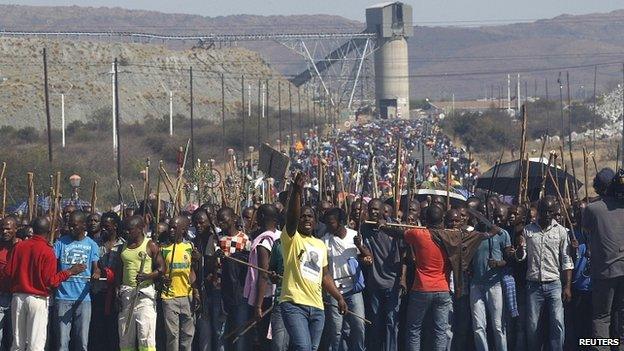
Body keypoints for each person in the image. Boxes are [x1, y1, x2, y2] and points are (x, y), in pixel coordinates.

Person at [280, 173, 347, 351]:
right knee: (304, 347)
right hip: (294, 305)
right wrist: (297, 192)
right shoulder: (291, 238)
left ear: (316, 221)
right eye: (303, 216)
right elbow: (292, 218)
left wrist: (339, 297)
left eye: (310, 216)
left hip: (317, 307)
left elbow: (325, 276)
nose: (307, 219)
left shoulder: (320, 245)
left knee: (311, 348)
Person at [3, 216, 85, 351]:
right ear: (49, 231)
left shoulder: (19, 247)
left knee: (17, 343)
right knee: (35, 344)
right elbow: (51, 281)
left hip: (18, 297)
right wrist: (70, 271)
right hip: (38, 299)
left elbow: (8, 272)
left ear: (33, 229)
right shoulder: (47, 251)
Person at [516, 195, 574, 351]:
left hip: (554, 284)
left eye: (550, 212)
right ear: (539, 211)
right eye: (544, 212)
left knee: (557, 323)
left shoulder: (561, 232)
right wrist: (520, 248)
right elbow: (522, 257)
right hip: (533, 285)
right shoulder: (528, 230)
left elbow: (567, 260)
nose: (547, 215)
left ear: (554, 212)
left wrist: (567, 286)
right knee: (533, 325)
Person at [583, 169, 624, 349]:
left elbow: (586, 233)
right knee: (620, 314)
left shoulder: (592, 209)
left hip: (604, 272)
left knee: (601, 317)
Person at [321, 207, 372, 351]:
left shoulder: (355, 236)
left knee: (359, 325)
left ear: (341, 222)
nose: (328, 226)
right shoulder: (324, 241)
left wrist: (359, 246)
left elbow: (368, 257)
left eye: (331, 223)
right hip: (335, 291)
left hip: (353, 289)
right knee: (336, 331)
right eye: (327, 223)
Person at [360, 198, 406, 351]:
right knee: (376, 323)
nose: (373, 211)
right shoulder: (364, 228)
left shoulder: (394, 225)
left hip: (392, 283)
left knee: (392, 323)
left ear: (382, 210)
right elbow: (365, 253)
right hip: (374, 283)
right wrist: (361, 250)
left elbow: (405, 252)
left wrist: (403, 278)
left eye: (376, 209)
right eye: (371, 208)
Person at [53, 210, 101, 351]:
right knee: (62, 341)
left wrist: (97, 272)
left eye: (74, 225)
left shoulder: (92, 244)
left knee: (82, 341)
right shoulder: (61, 243)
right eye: (69, 225)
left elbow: (96, 267)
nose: (71, 228)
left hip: (83, 297)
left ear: (83, 225)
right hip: (62, 296)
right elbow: (53, 265)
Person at [469, 204, 513, 351]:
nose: (480, 216)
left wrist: (498, 263)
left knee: (498, 326)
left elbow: (509, 259)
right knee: (478, 326)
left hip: (494, 284)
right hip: (476, 284)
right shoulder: (473, 234)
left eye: (483, 213)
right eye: (478, 214)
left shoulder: (502, 234)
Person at [118, 215, 165, 351]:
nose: (127, 232)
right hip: (126, 294)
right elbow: (119, 269)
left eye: (130, 230)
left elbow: (162, 268)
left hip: (144, 296)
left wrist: (148, 276)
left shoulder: (150, 245)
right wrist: (117, 290)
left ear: (140, 229)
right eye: (125, 230)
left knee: (146, 335)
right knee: (125, 335)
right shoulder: (123, 247)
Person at [243, 204, 281, 350]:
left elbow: (263, 274)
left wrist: (258, 306)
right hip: (280, 294)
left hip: (266, 296)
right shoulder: (281, 236)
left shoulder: (265, 242)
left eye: (258, 215)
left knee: (265, 339)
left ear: (263, 217)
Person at [216, 207, 252, 351]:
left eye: (223, 219)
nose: (221, 223)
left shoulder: (244, 239)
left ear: (234, 219)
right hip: (219, 289)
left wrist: (231, 259)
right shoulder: (216, 238)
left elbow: (248, 264)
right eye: (219, 221)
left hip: (239, 291)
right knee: (221, 331)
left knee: (239, 329)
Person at [161, 215, 198, 351]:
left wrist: (196, 291)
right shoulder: (164, 248)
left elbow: (191, 271)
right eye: (170, 227)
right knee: (172, 335)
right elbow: (159, 270)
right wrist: (162, 278)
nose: (171, 230)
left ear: (183, 230)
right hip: (170, 297)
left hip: (187, 295)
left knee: (188, 334)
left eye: (174, 228)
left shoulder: (189, 247)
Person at [89, 211, 125, 351]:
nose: (103, 229)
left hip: (115, 293)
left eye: (107, 226)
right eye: (102, 226)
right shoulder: (95, 244)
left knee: (114, 331)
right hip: (98, 291)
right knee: (98, 330)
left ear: (115, 226)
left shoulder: (123, 245)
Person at [192, 209, 225, 351]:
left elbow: (219, 264)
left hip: (217, 291)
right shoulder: (194, 242)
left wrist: (203, 259)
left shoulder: (218, 240)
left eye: (201, 222)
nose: (198, 226)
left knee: (218, 331)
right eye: (196, 223)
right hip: (202, 290)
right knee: (204, 332)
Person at [0, 217, 19, 349]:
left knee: (15, 335)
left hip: (17, 296)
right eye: (2, 229)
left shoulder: (22, 247)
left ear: (15, 229)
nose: (5, 231)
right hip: (1, 295)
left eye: (8, 228)